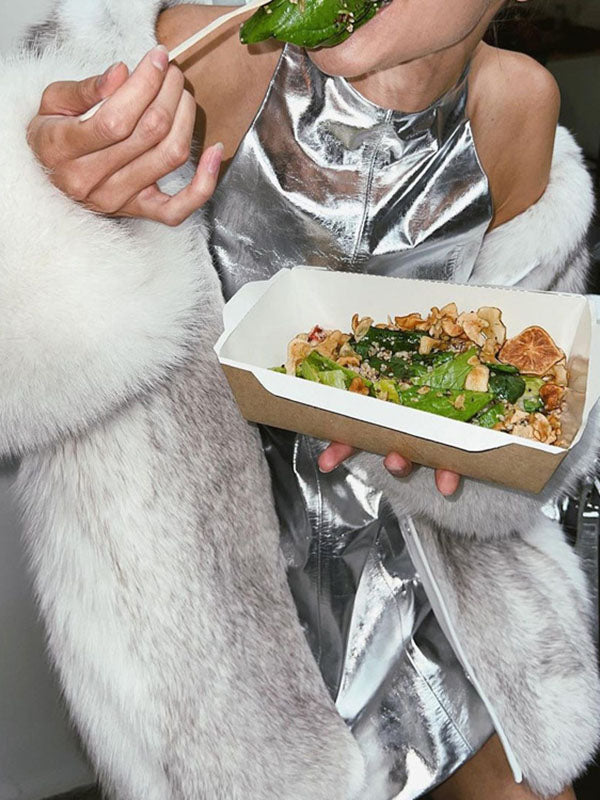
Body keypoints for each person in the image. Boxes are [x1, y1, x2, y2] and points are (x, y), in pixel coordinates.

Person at [1, 1, 599, 799]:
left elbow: (535, 406)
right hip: (227, 663)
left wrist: (471, 450)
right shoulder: (182, 55)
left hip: (449, 621)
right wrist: (50, 209)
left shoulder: (521, 103)